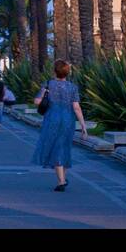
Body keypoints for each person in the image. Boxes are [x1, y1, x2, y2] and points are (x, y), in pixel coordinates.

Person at [32, 59, 87, 190]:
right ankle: (62, 178)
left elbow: (37, 101)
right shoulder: (72, 87)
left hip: (52, 119)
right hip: (68, 120)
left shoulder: (48, 84)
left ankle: (61, 181)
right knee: (63, 147)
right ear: (67, 72)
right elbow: (76, 107)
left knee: (56, 148)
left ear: (54, 71)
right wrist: (83, 126)